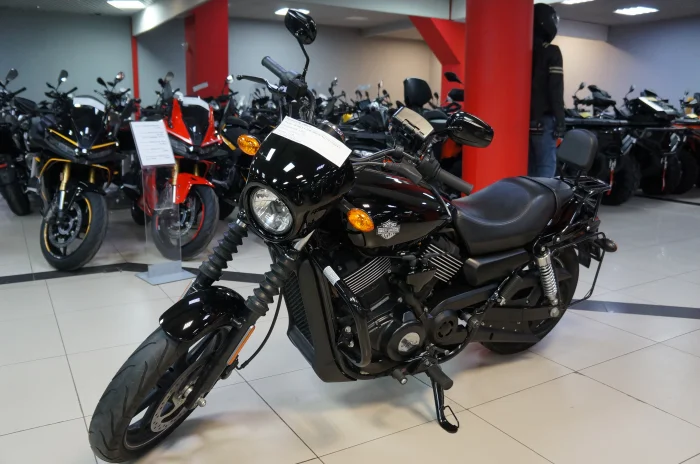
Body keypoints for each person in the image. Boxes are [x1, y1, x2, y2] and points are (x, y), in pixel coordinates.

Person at [529, 3, 566, 178]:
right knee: (545, 166)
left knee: (528, 168)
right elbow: (555, 89)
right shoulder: (551, 51)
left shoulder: (522, 51)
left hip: (523, 121)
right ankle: (544, 197)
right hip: (543, 120)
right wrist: (560, 120)